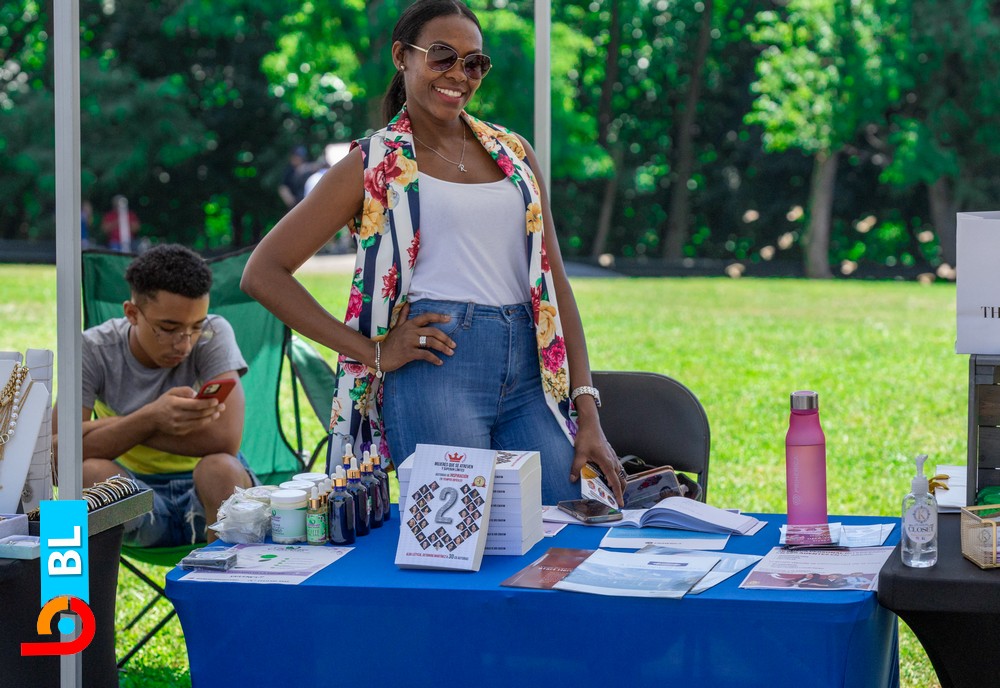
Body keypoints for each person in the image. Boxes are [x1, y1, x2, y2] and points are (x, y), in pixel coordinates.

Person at [242, 0, 625, 506]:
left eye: (474, 63)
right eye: (442, 56)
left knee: (566, 522)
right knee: (458, 533)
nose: (459, 75)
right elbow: (263, 273)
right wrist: (374, 353)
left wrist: (587, 411)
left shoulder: (514, 153)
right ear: (402, 56)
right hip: (437, 371)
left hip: (532, 375)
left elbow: (554, 283)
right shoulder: (373, 163)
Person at [53, 244, 253, 546]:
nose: (184, 344)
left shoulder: (213, 333)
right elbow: (56, 458)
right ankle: (84, 580)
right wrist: (151, 417)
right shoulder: (94, 349)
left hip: (210, 497)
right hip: (136, 498)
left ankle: (223, 574)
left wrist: (116, 427)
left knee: (220, 468)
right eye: (168, 328)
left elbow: (226, 440)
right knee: (89, 472)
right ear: (132, 313)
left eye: (195, 327)